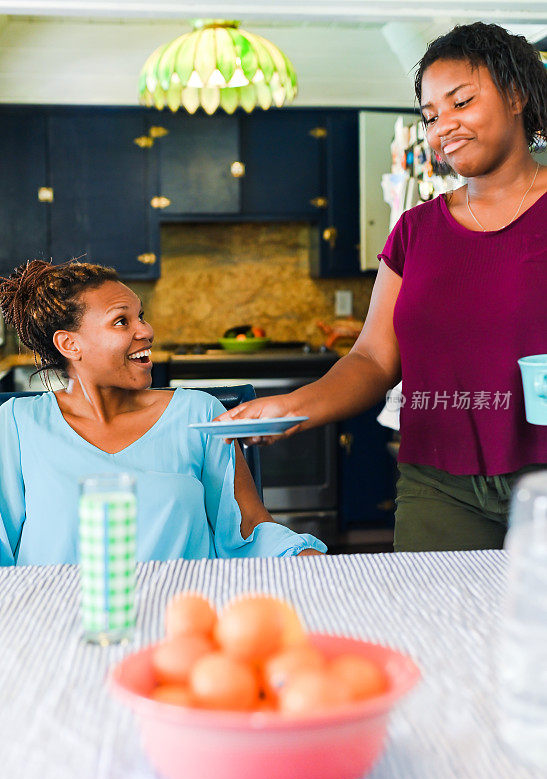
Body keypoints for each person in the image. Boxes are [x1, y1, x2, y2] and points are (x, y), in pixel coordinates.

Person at [218, 22, 547, 552]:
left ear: (517, 96)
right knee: (431, 629)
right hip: (439, 487)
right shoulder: (416, 230)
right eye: (431, 116)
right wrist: (294, 405)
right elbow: (372, 359)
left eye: (461, 102)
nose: (444, 127)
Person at [0, 260, 326, 566]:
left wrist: (304, 558)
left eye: (141, 316)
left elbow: (249, 529)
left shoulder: (197, 414)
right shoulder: (16, 425)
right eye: (121, 321)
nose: (146, 331)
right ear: (70, 344)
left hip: (182, 614)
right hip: (52, 619)